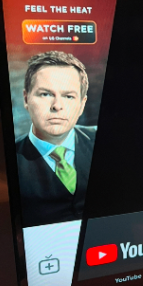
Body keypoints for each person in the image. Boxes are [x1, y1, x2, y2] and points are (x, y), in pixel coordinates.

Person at [15, 51, 97, 228]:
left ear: (82, 104)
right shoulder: (10, 160)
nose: (57, 106)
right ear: (26, 99)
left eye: (68, 96)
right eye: (45, 94)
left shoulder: (108, 144)